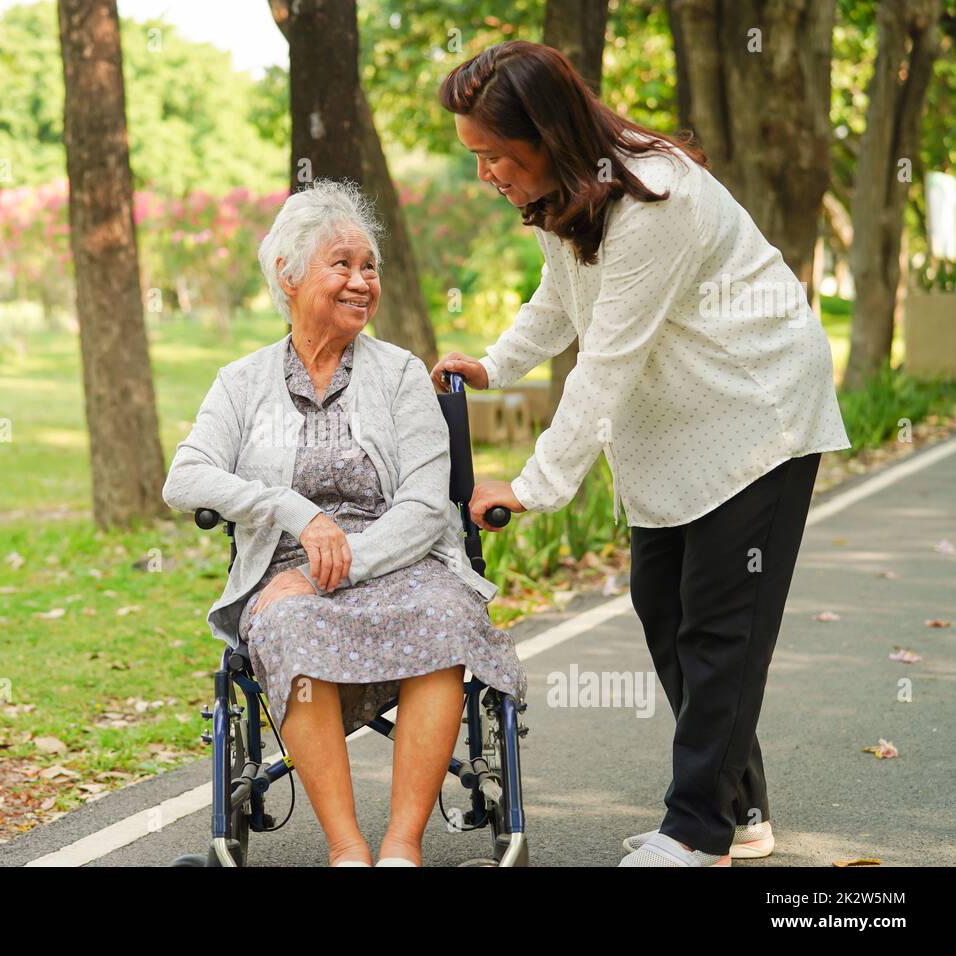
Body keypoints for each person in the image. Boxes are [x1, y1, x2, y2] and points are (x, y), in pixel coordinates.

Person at [431, 40, 851, 867]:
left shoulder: (654, 199)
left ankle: (696, 830)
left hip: (755, 412)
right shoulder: (569, 194)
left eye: (493, 154)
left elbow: (606, 365)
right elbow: (561, 298)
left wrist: (532, 483)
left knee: (720, 628)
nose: (485, 172)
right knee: (664, 606)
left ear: (546, 134)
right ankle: (741, 809)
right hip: (681, 423)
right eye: (475, 156)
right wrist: (495, 365)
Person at [162, 179, 526, 867]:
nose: (362, 281)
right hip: (284, 575)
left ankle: (400, 848)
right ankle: (348, 851)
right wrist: (296, 515)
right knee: (287, 623)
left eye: (370, 267)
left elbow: (424, 508)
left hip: (399, 561)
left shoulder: (398, 375)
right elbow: (185, 477)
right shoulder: (241, 383)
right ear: (288, 275)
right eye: (343, 264)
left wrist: (343, 560)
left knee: (443, 618)